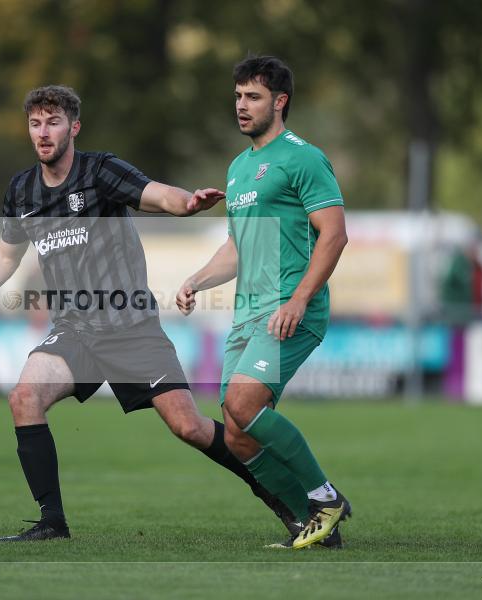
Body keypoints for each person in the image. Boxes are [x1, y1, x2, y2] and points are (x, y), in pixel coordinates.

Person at [0, 85, 300, 541]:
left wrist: (184, 203)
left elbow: (153, 193)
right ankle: (52, 523)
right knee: (24, 398)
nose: (43, 133)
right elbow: (7, 256)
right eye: (35, 124)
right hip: (75, 330)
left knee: (188, 426)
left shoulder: (99, 171)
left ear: (74, 127)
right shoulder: (21, 190)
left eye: (53, 122)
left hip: (130, 327)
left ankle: (280, 494)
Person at [177, 56, 351, 549]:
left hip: (289, 310)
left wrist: (299, 299)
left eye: (252, 97)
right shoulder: (238, 168)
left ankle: (325, 497)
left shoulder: (304, 158)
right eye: (237, 96)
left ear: (280, 102)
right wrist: (197, 279)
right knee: (236, 432)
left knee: (242, 402)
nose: (241, 106)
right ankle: (312, 526)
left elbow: (334, 236)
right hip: (247, 314)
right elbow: (236, 248)